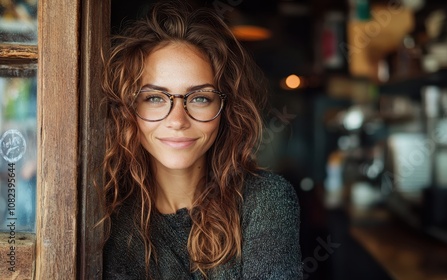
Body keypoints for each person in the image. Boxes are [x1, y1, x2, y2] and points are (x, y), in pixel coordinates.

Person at [100, 1, 302, 279]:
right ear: (127, 108)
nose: (178, 120)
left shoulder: (264, 201)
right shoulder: (106, 213)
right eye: (155, 98)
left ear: (225, 109)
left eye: (199, 98)